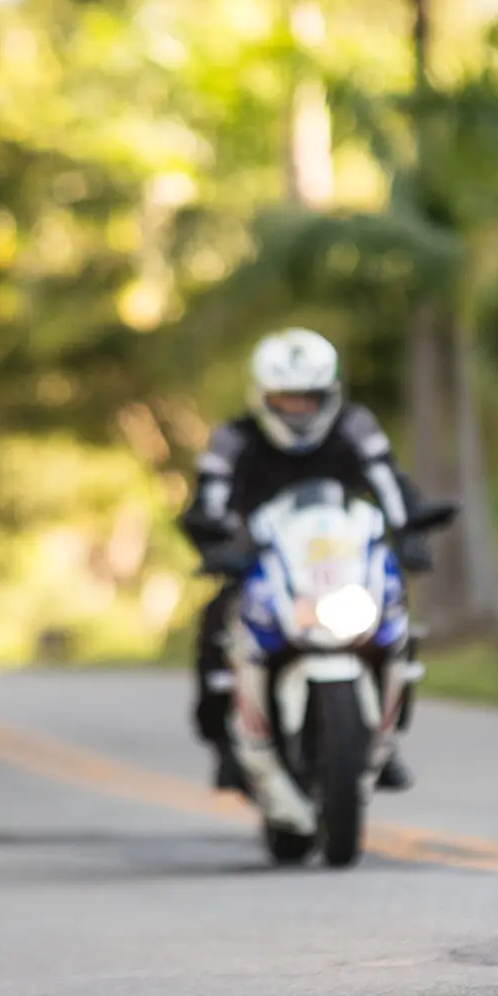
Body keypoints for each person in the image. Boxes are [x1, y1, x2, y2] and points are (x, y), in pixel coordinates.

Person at [179, 327, 430, 794]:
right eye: (287, 400)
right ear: (264, 396)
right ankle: (224, 745)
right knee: (215, 623)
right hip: (261, 563)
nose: (298, 410)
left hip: (339, 565)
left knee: (396, 621)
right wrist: (213, 542)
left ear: (329, 394)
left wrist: (410, 530)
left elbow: (389, 482)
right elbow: (209, 499)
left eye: (308, 399)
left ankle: (382, 741)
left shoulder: (354, 426)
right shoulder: (235, 439)